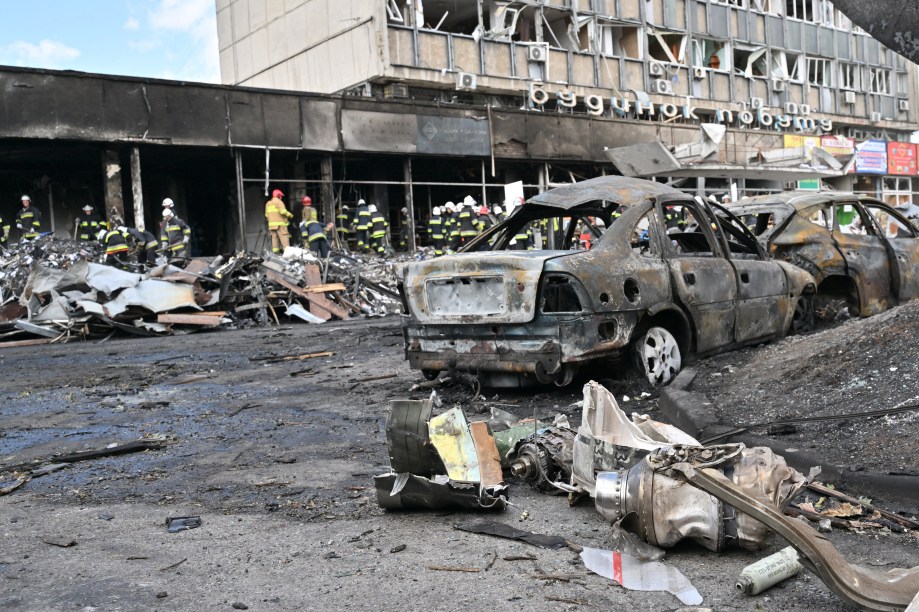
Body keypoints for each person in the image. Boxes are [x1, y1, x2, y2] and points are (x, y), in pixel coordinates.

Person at [264, 188, 293, 254]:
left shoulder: (268, 203)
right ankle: (288, 255)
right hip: (280, 226)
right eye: (281, 196)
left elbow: (266, 215)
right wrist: (290, 215)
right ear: (279, 195)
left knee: (275, 240)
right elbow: (283, 212)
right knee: (284, 240)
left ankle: (276, 255)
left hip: (272, 226)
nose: (281, 197)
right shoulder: (279, 202)